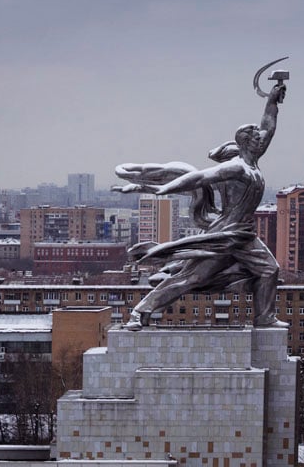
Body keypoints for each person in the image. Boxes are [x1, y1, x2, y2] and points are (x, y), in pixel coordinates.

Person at [115, 83, 287, 330]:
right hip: (226, 234)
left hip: (244, 234)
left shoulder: (253, 163)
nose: (261, 137)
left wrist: (273, 100)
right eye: (256, 136)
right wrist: (166, 188)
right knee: (191, 277)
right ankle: (140, 312)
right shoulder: (236, 167)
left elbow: (268, 125)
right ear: (247, 142)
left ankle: (264, 318)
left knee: (270, 270)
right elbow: (200, 178)